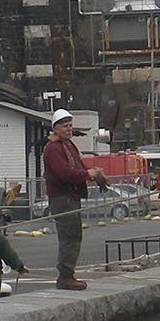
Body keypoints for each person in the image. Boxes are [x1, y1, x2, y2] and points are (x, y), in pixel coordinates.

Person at [42, 107, 107, 289]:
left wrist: (94, 173)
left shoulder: (68, 145)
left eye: (70, 125)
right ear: (55, 128)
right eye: (65, 126)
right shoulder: (53, 148)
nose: (69, 129)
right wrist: (88, 174)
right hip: (62, 198)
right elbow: (64, 173)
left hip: (71, 196)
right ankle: (65, 276)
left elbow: (78, 165)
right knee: (69, 236)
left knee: (74, 235)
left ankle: (67, 274)